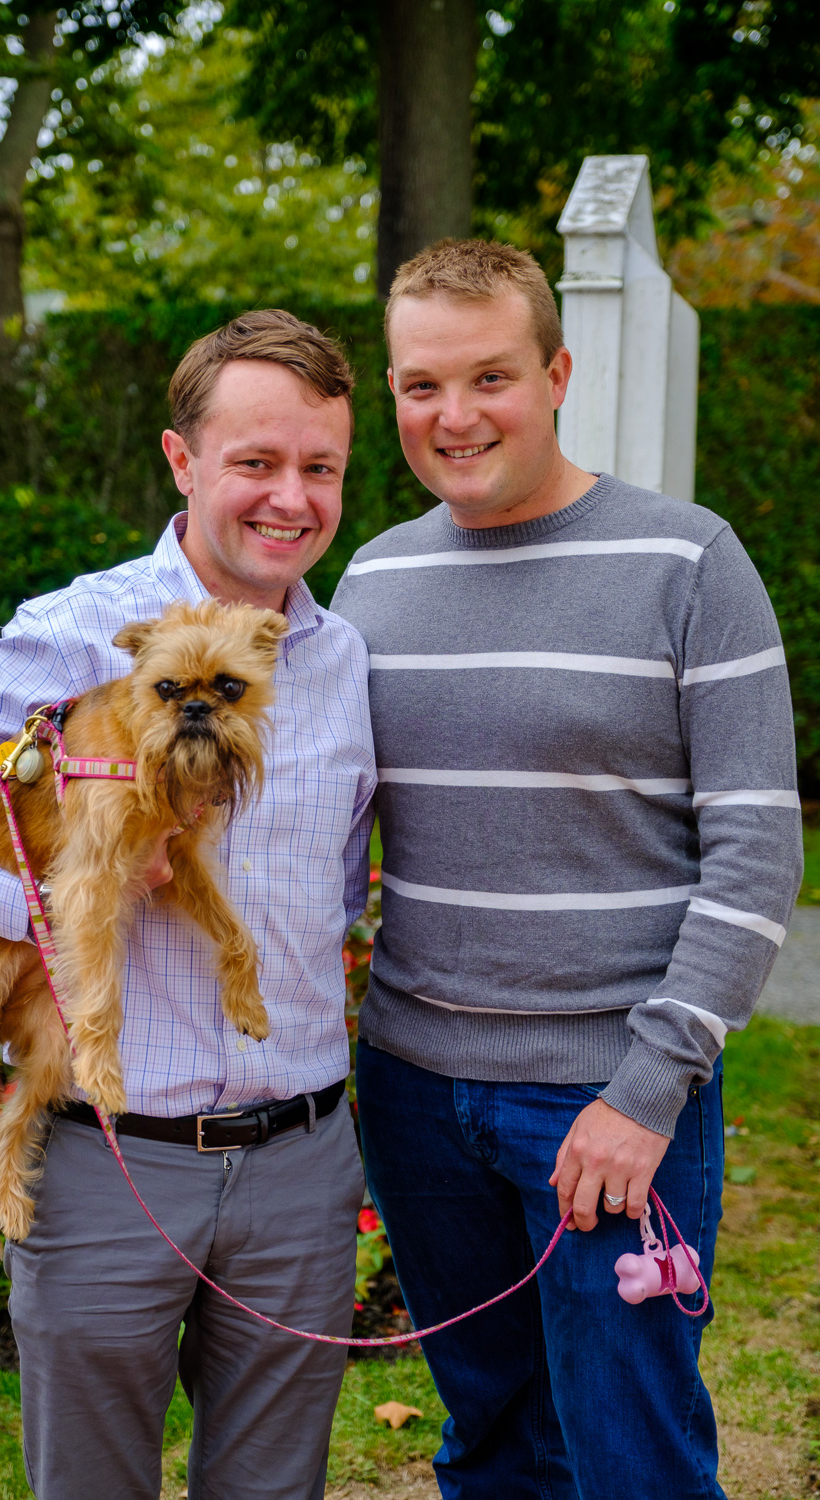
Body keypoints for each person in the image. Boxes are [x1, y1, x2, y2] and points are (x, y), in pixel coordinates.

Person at [0, 309, 377, 1500]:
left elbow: (337, 889)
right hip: (106, 1157)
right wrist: (47, 902)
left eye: (320, 467)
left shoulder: (345, 660)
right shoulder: (70, 630)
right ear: (182, 460)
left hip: (300, 1164)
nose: (289, 496)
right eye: (254, 461)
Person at [330, 239, 802, 1499]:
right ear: (392, 391)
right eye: (422, 384)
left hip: (603, 1096)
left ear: (555, 373)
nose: (455, 414)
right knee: (491, 1441)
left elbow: (757, 855)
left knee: (629, 1452)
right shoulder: (372, 577)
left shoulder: (687, 563)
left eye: (490, 376)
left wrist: (646, 1093)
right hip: (417, 1098)